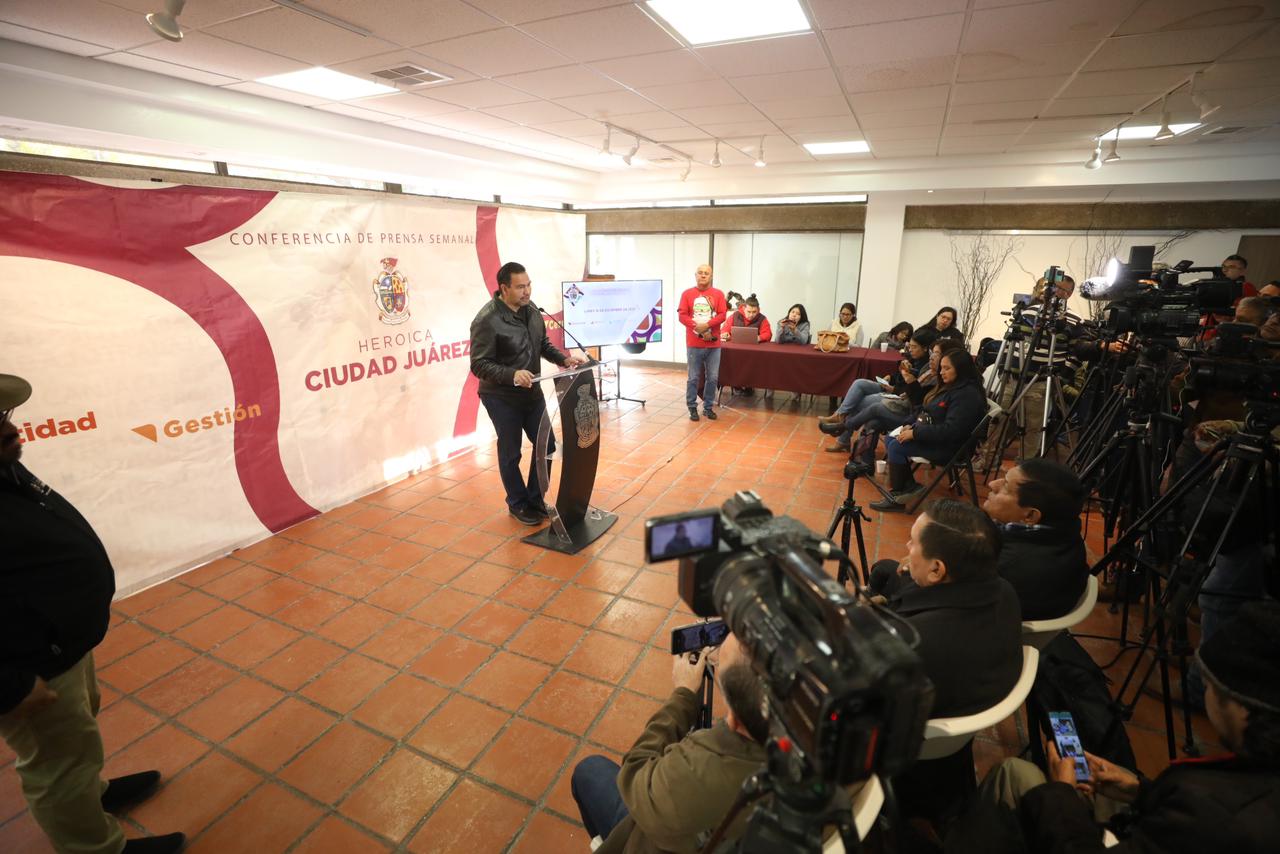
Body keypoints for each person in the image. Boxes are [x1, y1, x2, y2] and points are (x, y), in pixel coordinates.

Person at [0, 374, 185, 854]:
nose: (11, 429)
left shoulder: (5, 467)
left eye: (3, 416)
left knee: (76, 739)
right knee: (57, 763)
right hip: (29, 664)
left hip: (59, 642)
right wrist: (9, 686)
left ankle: (90, 794)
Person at [949, 600, 1280, 854]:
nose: (1205, 690)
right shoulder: (1251, 780)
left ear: (1242, 706)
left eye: (1210, 684)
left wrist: (1063, 794)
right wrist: (1139, 791)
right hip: (1145, 818)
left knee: (1013, 773)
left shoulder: (1220, 816)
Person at [571, 631, 768, 853]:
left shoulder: (701, 774)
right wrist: (730, 664)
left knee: (588, 771)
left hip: (652, 830)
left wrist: (683, 694)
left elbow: (634, 774)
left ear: (734, 719)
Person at [469, 261, 586, 526]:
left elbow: (542, 344)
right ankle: (518, 503)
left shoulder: (531, 310)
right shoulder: (486, 320)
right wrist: (512, 375)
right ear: (504, 288)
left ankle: (535, 499)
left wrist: (563, 359)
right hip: (501, 397)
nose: (527, 291)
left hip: (531, 392)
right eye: (520, 287)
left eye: (529, 284)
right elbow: (479, 364)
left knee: (548, 445)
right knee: (511, 453)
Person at [976, 274, 1087, 466]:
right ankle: (987, 460)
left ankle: (1024, 468)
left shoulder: (1074, 320)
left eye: (1061, 289)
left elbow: (1077, 352)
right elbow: (1011, 341)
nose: (1055, 291)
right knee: (998, 421)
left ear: (1069, 294)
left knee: (1033, 428)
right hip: (1012, 378)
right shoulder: (1029, 312)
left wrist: (1063, 374)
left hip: (1041, 383)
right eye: (1053, 286)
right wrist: (1004, 367)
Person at [870, 349, 988, 512]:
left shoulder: (966, 395)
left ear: (960, 369)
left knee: (897, 446)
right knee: (892, 438)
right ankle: (909, 487)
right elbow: (929, 410)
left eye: (947, 368)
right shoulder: (952, 386)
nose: (941, 372)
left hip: (951, 447)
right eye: (942, 368)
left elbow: (952, 431)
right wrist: (911, 426)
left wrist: (915, 433)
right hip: (934, 434)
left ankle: (897, 497)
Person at [982, 459, 1090, 621]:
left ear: (1030, 516)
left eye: (1005, 486)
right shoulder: (1065, 531)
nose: (992, 484)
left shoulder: (1004, 568)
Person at [818, 329, 936, 452]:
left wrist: (895, 388)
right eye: (909, 346)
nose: (910, 349)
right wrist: (891, 376)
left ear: (925, 349)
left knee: (859, 402)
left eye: (914, 347)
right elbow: (900, 376)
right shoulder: (914, 358)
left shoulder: (927, 369)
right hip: (892, 389)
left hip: (898, 398)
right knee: (859, 383)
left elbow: (911, 392)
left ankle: (842, 437)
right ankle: (839, 415)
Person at [677, 264, 728, 422]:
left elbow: (722, 315)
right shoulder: (687, 294)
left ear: (711, 276)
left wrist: (707, 325)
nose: (703, 275)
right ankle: (692, 407)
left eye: (706, 273)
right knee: (693, 377)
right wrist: (696, 326)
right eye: (700, 272)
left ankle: (708, 407)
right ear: (695, 275)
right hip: (694, 344)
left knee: (712, 378)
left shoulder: (718, 294)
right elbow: (682, 315)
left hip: (714, 345)